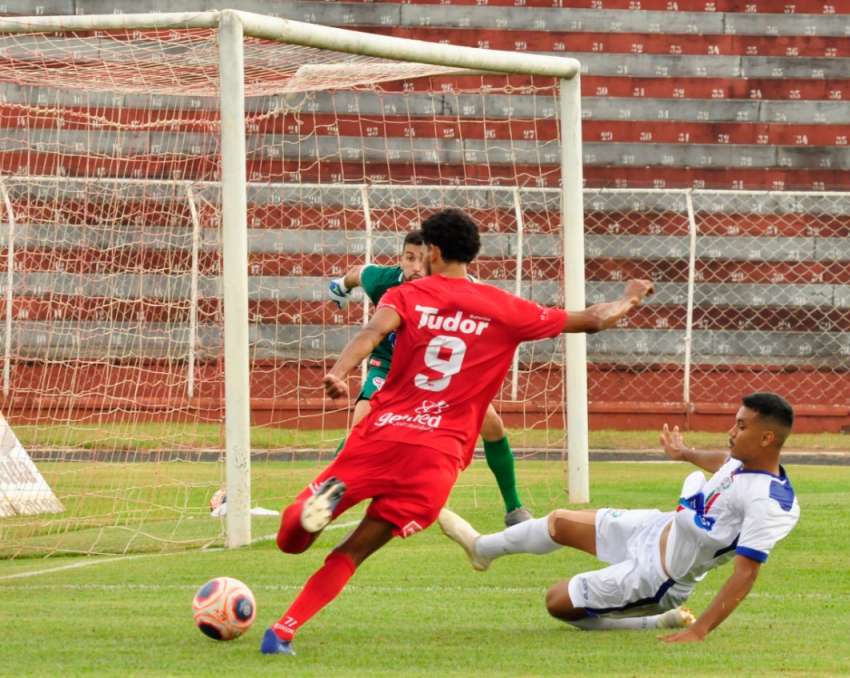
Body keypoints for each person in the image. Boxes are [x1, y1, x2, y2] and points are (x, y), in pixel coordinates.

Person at [260, 208, 655, 655]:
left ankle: (308, 517)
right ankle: (282, 632)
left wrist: (338, 372)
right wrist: (630, 298)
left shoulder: (409, 295)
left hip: (383, 434)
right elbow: (593, 319)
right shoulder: (506, 308)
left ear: (433, 251)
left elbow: (371, 332)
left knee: (291, 541)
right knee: (353, 552)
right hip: (436, 460)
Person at [437, 392, 800, 643]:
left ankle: (650, 620)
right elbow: (723, 463)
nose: (731, 432)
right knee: (559, 522)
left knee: (558, 602)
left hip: (659, 576)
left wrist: (700, 630)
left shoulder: (769, 503)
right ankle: (482, 549)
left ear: (767, 437)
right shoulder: (741, 460)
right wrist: (684, 453)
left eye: (741, 426)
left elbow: (746, 573)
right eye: (735, 423)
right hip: (657, 527)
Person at [325, 230, 532, 526]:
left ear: (437, 260)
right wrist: (340, 286)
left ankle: (515, 508)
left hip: (438, 373)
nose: (416, 268)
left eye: (423, 260)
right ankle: (325, 499)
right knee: (362, 421)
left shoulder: (463, 289)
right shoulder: (384, 280)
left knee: (491, 423)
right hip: (389, 366)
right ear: (400, 259)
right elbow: (358, 273)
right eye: (409, 258)